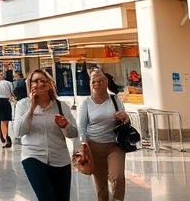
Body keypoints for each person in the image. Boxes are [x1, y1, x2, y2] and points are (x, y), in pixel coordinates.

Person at [11, 69, 78, 201]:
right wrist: (32, 108)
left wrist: (65, 125)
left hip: (60, 158)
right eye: (34, 81)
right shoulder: (23, 105)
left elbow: (74, 133)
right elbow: (18, 132)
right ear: (30, 85)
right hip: (33, 156)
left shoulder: (61, 106)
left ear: (49, 85)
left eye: (42, 81)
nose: (38, 84)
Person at [77, 70, 129, 201]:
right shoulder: (86, 102)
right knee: (101, 184)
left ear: (106, 83)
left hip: (115, 145)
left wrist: (125, 117)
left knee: (118, 177)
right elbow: (82, 126)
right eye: (93, 81)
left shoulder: (114, 99)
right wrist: (83, 143)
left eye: (100, 81)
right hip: (94, 146)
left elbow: (126, 120)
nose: (97, 84)